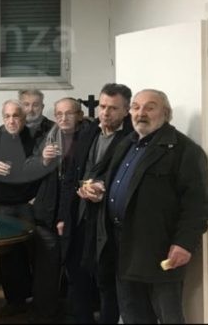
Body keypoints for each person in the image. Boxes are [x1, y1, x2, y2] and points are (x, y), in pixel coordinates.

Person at [83, 89, 208, 323]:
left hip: (159, 250)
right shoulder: (127, 143)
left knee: (169, 316)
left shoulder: (185, 150)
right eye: (136, 107)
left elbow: (199, 205)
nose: (140, 113)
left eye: (150, 107)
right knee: (133, 315)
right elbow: (116, 181)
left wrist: (184, 243)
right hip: (121, 247)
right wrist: (99, 187)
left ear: (166, 113)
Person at [56, 83, 133, 324]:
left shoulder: (132, 138)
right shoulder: (88, 132)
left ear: (126, 110)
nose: (105, 112)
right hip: (78, 216)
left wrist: (103, 189)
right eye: (103, 106)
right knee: (77, 276)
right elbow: (71, 176)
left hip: (108, 222)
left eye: (113, 108)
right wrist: (63, 216)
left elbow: (129, 181)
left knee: (106, 281)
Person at [30, 97, 87, 323]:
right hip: (47, 213)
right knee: (46, 268)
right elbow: (30, 169)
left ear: (79, 115)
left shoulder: (89, 138)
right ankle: (44, 313)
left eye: (69, 113)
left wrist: (66, 216)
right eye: (59, 114)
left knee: (75, 267)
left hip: (75, 213)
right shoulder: (48, 138)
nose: (63, 118)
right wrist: (43, 161)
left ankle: (73, 314)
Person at [0, 100, 42, 318]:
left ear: (24, 118)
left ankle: (38, 302)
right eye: (7, 116)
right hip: (5, 204)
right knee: (8, 255)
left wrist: (38, 197)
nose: (11, 121)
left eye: (16, 116)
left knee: (35, 254)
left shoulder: (36, 137)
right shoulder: (0, 135)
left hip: (29, 204)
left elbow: (46, 170)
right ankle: (14, 301)